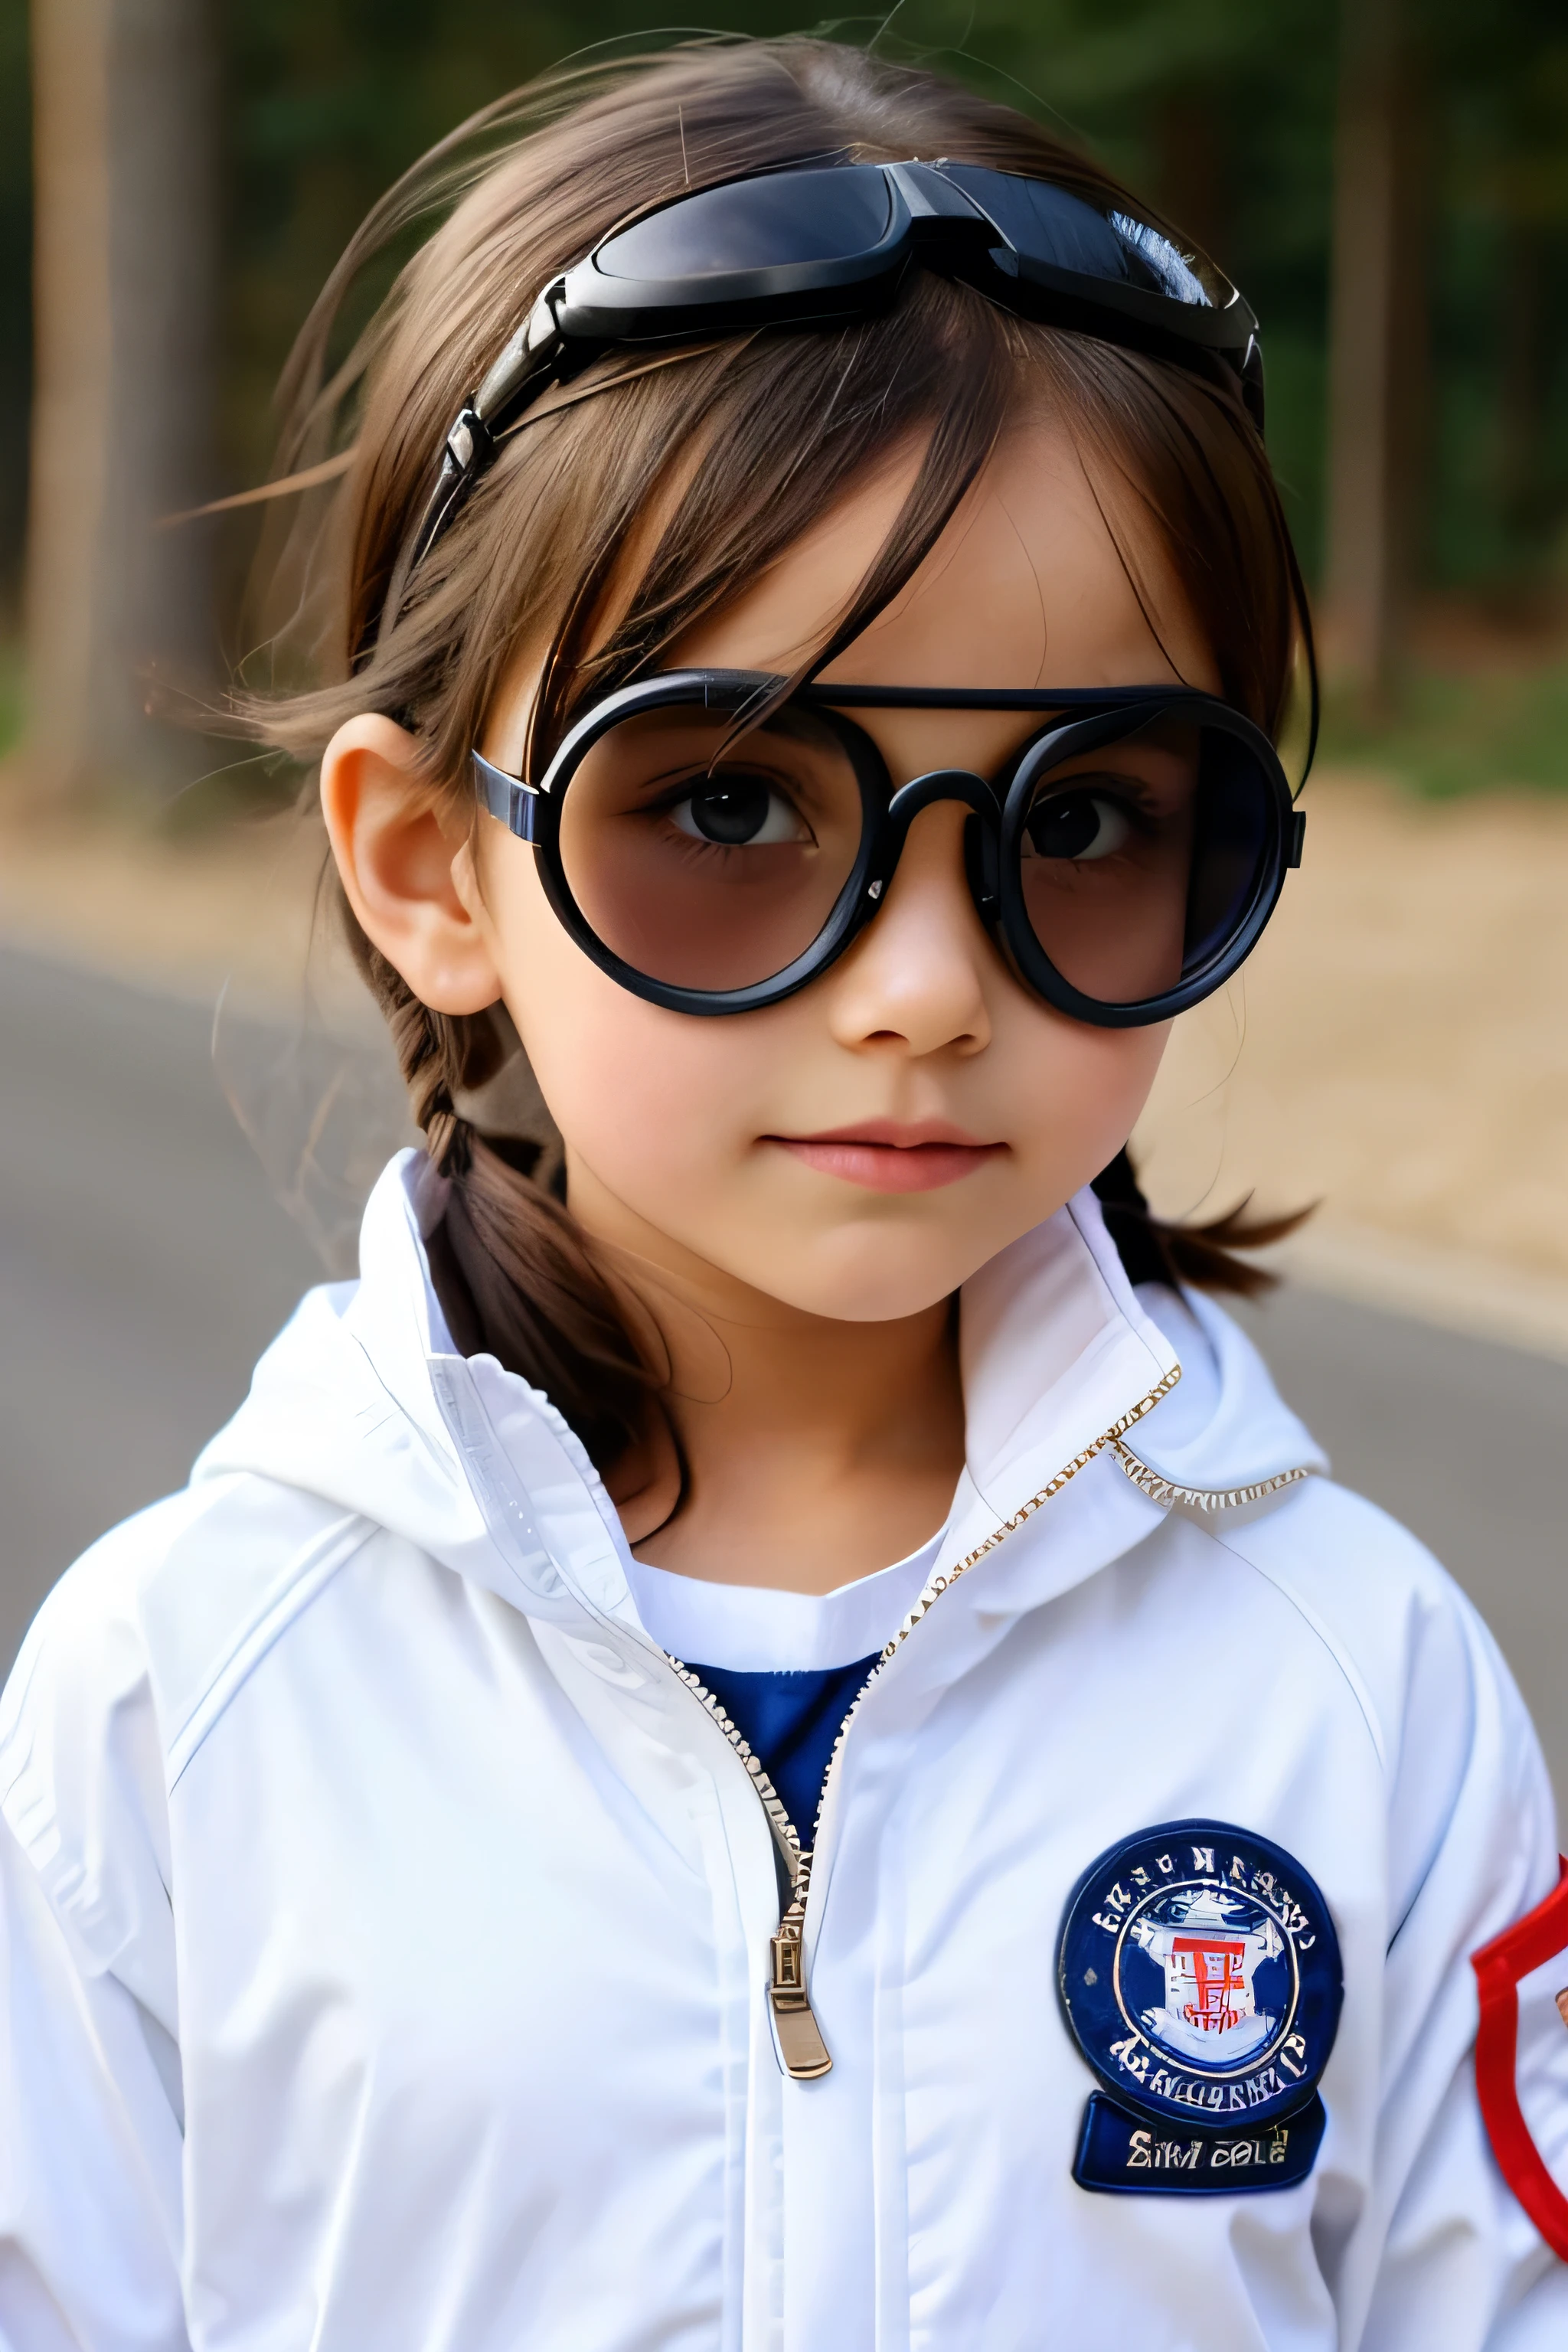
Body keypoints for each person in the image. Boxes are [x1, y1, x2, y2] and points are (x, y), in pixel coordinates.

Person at [2, 37, 1564, 2350]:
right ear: (433, 867)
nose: (931, 989)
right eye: (731, 806)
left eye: (1087, 819)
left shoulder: (1362, 1686)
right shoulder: (181, 1702)